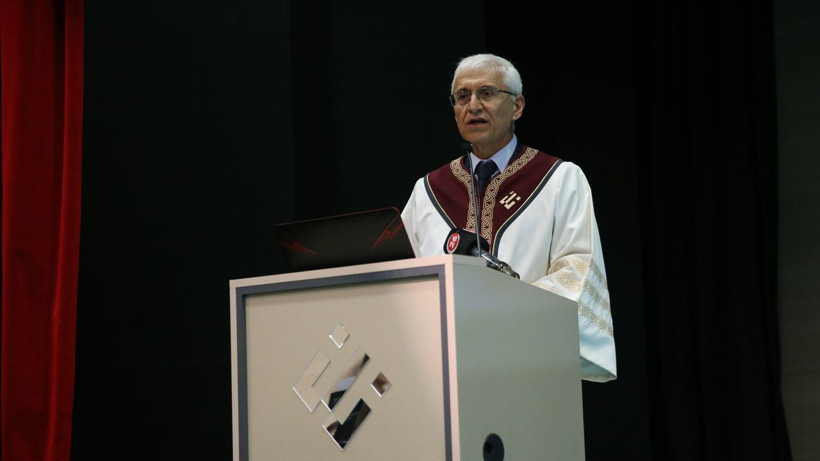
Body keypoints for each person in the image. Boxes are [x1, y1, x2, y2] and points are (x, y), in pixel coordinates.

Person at [401, 53, 616, 382]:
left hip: (526, 365)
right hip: (443, 369)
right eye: (462, 96)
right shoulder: (428, 190)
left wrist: (503, 312)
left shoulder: (559, 179)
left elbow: (578, 270)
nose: (473, 105)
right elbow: (404, 278)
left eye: (486, 93)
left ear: (517, 106)